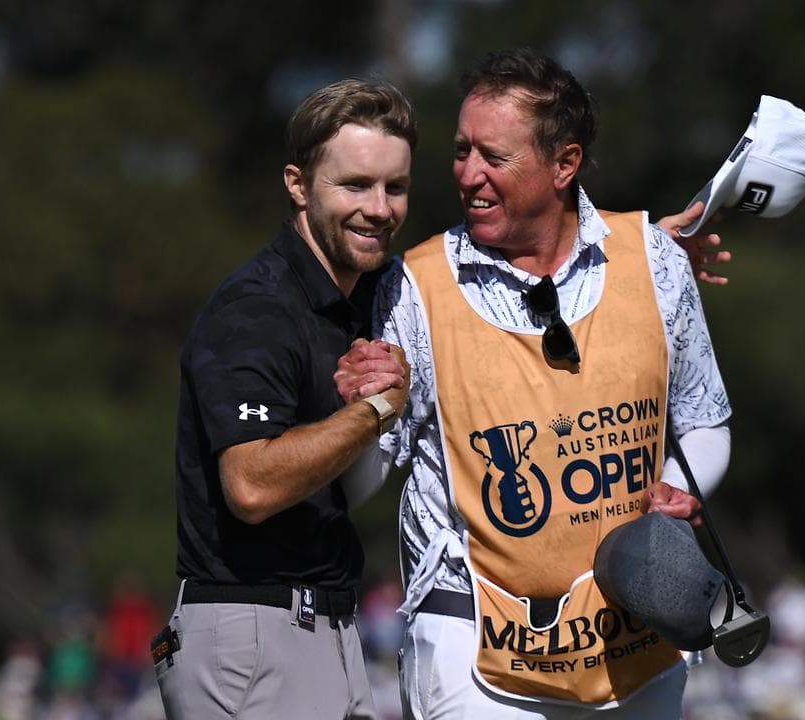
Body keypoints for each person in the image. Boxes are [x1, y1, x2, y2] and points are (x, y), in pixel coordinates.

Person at [336, 49, 733, 718]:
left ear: (564, 164)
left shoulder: (658, 261)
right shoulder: (413, 286)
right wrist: (359, 414)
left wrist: (676, 485)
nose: (468, 175)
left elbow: (705, 419)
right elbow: (362, 483)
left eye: (494, 156)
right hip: (473, 645)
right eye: (461, 151)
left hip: (632, 640)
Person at [153, 78, 414, 720]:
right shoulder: (258, 307)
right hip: (256, 633)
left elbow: (476, 269)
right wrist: (377, 409)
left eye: (396, 187)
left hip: (324, 630)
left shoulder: (356, 294)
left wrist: (638, 255)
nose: (379, 208)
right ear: (298, 185)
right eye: (354, 185)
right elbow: (251, 485)